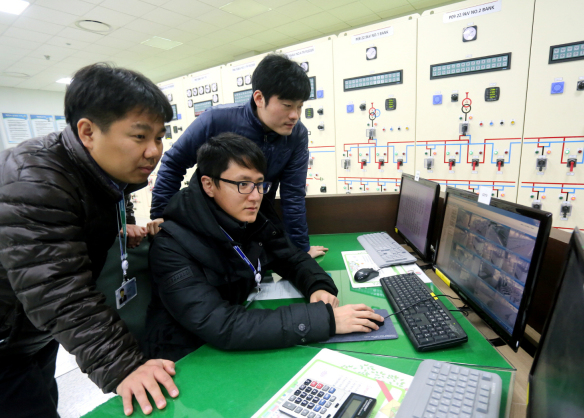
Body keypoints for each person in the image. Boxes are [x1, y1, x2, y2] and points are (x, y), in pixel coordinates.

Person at [0, 63, 178, 417]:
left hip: (30, 330)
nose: (154, 151)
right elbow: (57, 288)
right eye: (140, 136)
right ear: (87, 131)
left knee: (42, 394)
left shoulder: (106, 176)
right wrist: (123, 365)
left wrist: (122, 224)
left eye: (159, 136)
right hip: (6, 335)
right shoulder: (34, 180)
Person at [142, 133, 383, 361]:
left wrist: (317, 285)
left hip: (232, 348)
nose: (255, 196)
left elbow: (290, 257)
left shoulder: (249, 218)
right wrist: (325, 321)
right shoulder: (171, 246)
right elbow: (221, 324)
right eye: (243, 184)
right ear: (208, 185)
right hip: (187, 359)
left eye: (259, 184)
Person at [148, 53, 328, 258]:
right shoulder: (216, 120)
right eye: (287, 106)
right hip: (207, 222)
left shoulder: (297, 135)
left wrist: (300, 249)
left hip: (253, 220)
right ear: (259, 98)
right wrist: (161, 217)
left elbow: (293, 195)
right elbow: (174, 163)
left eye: (300, 106)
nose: (295, 115)